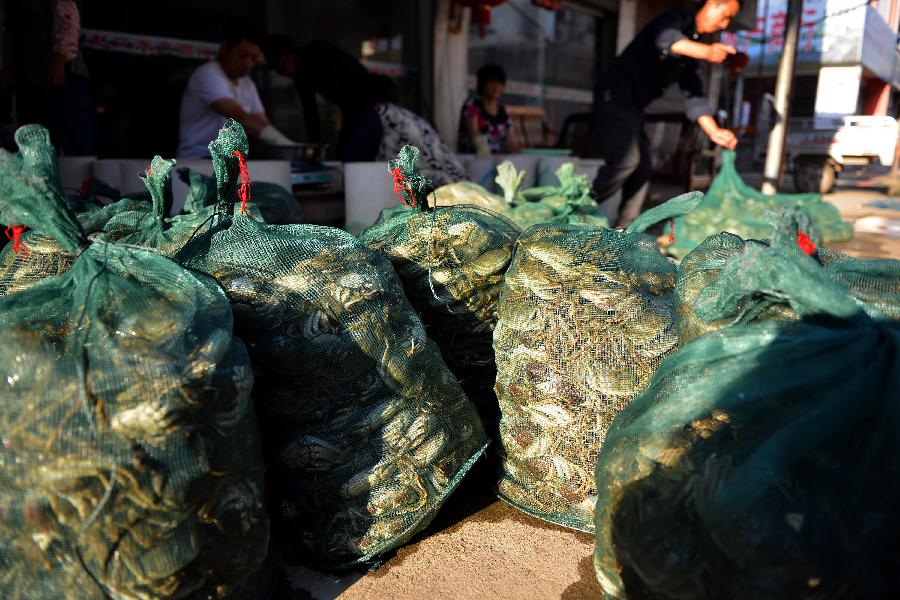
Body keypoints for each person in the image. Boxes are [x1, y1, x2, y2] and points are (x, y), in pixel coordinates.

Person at [592, 0, 741, 227]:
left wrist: (715, 132)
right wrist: (707, 52)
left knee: (643, 168)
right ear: (712, 3)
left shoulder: (692, 54)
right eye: (726, 15)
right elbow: (666, 39)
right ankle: (577, 208)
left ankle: (625, 229)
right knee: (626, 160)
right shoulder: (676, 18)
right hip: (614, 97)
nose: (725, 24)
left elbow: (694, 97)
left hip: (634, 107)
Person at [177, 21, 294, 158]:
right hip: (197, 160)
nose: (247, 63)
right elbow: (238, 116)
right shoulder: (208, 74)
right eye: (243, 55)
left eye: (254, 58)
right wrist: (288, 146)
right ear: (225, 48)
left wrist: (287, 147)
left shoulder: (247, 83)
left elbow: (261, 123)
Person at [6, 0, 95, 155]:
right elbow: (9, 34)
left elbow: (68, 20)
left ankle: (82, 178)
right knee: (35, 143)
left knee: (75, 138)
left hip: (62, 74)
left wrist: (61, 57)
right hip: (29, 78)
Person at [345, 74, 466, 187]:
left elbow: (354, 163)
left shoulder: (379, 115)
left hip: (438, 194)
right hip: (462, 189)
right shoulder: (410, 118)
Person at [261, 36, 371, 158]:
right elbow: (310, 113)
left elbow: (347, 93)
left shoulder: (318, 53)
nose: (282, 74)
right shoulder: (300, 77)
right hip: (351, 106)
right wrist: (314, 148)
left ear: (288, 57)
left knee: (353, 148)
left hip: (366, 100)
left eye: (280, 69)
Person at [458, 64, 520, 155]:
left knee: (522, 169)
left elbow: (510, 141)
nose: (496, 87)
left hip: (499, 162)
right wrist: (489, 158)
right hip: (476, 161)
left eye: (500, 83)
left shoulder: (503, 111)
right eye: (492, 82)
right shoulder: (471, 107)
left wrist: (521, 158)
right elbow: (474, 136)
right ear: (482, 84)